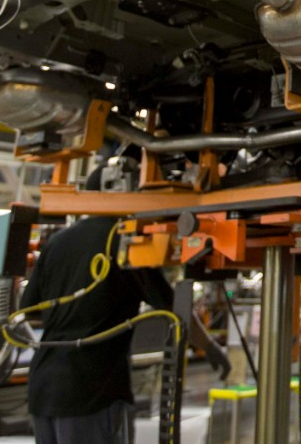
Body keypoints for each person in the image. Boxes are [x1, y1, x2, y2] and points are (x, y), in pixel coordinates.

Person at [22, 170, 228, 444]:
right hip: (93, 390)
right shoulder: (125, 242)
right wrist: (210, 347)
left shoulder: (57, 242)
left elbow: (29, 310)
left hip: (43, 386)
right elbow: (174, 310)